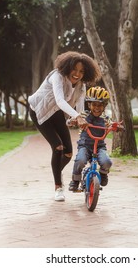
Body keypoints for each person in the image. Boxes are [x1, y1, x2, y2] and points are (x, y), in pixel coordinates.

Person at [28, 51, 101, 202]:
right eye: (74, 69)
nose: (77, 74)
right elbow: (60, 100)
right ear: (67, 67)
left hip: (57, 114)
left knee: (68, 153)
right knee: (58, 147)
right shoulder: (57, 76)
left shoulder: (81, 85)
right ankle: (58, 187)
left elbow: (80, 107)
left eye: (81, 71)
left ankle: (56, 172)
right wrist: (77, 117)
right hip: (39, 112)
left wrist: (77, 118)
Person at [67, 86, 123, 192]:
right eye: (94, 104)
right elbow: (72, 120)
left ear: (104, 106)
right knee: (80, 160)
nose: (97, 108)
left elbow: (112, 124)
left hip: (100, 147)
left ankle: (103, 173)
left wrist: (117, 127)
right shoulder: (83, 115)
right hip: (85, 145)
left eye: (100, 105)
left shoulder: (106, 119)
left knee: (107, 162)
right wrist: (72, 122)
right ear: (89, 104)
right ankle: (75, 181)